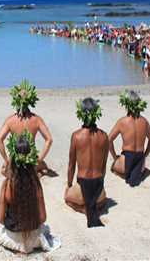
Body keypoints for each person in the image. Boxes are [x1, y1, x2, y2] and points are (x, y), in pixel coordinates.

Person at [0, 132, 61, 254]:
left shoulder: (6, 185)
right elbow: (43, 218)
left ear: (13, 159)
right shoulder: (36, 184)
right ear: (30, 159)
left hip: (13, 237)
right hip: (34, 238)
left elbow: (0, 218)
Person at [64, 98, 108, 228]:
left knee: (67, 197)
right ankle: (95, 206)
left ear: (81, 114)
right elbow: (104, 167)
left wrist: (69, 184)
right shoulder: (104, 136)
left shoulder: (76, 136)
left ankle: (84, 209)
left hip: (82, 185)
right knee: (102, 201)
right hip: (99, 189)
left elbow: (71, 165)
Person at [0, 80, 52, 176]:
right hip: (31, 158)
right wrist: (39, 160)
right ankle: (36, 171)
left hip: (15, 159)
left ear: (16, 101)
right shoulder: (36, 119)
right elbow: (49, 140)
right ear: (30, 101)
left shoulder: (10, 120)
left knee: (3, 169)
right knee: (44, 166)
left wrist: (6, 160)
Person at [109, 91, 150, 187]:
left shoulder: (122, 121)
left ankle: (124, 172)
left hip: (126, 160)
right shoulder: (144, 121)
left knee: (112, 167)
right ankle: (139, 173)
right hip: (140, 160)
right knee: (137, 170)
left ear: (126, 105)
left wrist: (115, 157)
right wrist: (145, 155)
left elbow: (109, 140)